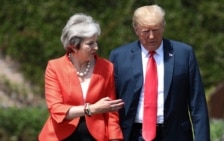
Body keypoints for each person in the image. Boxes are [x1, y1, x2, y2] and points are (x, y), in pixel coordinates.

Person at [109, 4, 210, 141]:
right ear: (136, 29)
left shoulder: (183, 54)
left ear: (163, 26)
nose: (151, 36)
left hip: (175, 134)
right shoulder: (119, 57)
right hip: (134, 134)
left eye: (156, 30)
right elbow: (111, 102)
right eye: (146, 31)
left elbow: (197, 104)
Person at [39, 13, 124, 141]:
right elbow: (56, 109)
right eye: (90, 44)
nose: (96, 47)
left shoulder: (107, 67)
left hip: (96, 136)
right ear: (73, 45)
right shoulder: (54, 67)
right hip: (59, 135)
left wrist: (115, 138)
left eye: (96, 42)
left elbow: (112, 111)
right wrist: (91, 109)